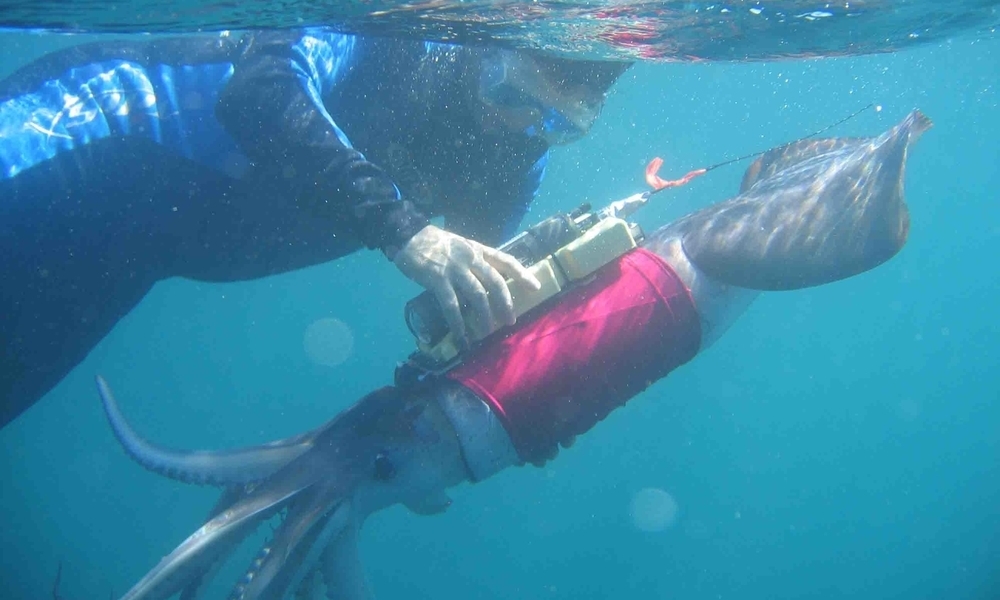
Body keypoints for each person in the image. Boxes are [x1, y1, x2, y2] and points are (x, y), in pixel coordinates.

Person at [96, 110, 929, 600]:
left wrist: (853, 181)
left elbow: (735, 247)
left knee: (737, 251)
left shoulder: (720, 251)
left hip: (668, 285)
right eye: (380, 471)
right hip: (643, 308)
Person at [0, 31, 631, 428]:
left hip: (126, 257)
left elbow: (474, 312)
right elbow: (260, 93)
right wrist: (404, 230)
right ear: (485, 49)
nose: (514, 124)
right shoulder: (386, 33)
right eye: (509, 90)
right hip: (81, 129)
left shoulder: (510, 161)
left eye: (555, 122)